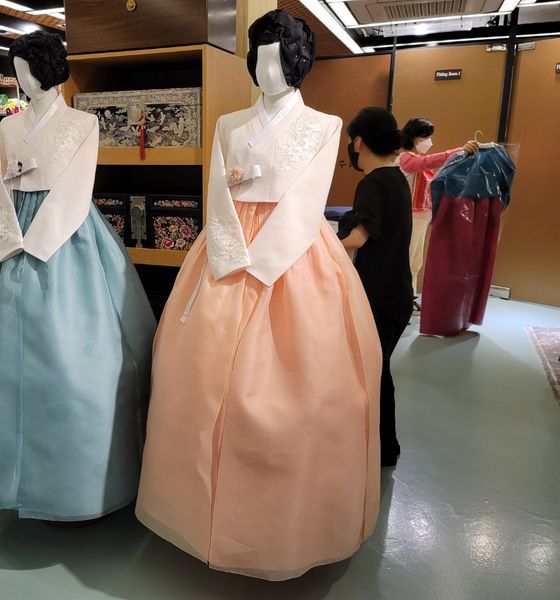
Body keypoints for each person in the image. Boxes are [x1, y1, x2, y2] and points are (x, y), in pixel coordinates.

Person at [136, 11, 382, 581]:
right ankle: (196, 513)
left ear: (297, 63)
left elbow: (305, 203)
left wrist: (262, 264)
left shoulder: (323, 124)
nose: (267, 71)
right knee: (194, 378)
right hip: (223, 251)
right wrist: (228, 252)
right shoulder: (229, 123)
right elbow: (216, 191)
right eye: (259, 59)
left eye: (278, 59)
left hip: (293, 257)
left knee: (298, 394)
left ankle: (276, 529)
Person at [0, 32, 156, 522]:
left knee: (76, 357)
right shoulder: (8, 127)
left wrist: (37, 243)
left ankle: (72, 480)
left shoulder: (82, 122)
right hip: (11, 234)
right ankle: (2, 474)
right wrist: (7, 238)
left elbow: (77, 188)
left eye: (28, 71)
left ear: (48, 70)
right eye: (16, 72)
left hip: (68, 235)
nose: (22, 81)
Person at [339, 107, 413, 467]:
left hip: (380, 296)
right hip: (396, 292)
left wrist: (316, 245)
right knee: (377, 369)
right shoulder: (396, 178)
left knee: (375, 371)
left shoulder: (372, 183)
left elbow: (357, 237)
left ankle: (384, 448)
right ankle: (382, 446)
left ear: (359, 142)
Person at [398, 117, 479, 311]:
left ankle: (409, 296)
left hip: (422, 217)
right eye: (425, 137)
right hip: (410, 216)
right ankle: (401, 299)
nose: (428, 141)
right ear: (413, 136)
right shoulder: (405, 158)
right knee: (407, 259)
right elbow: (429, 161)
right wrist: (459, 151)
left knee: (415, 261)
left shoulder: (420, 162)